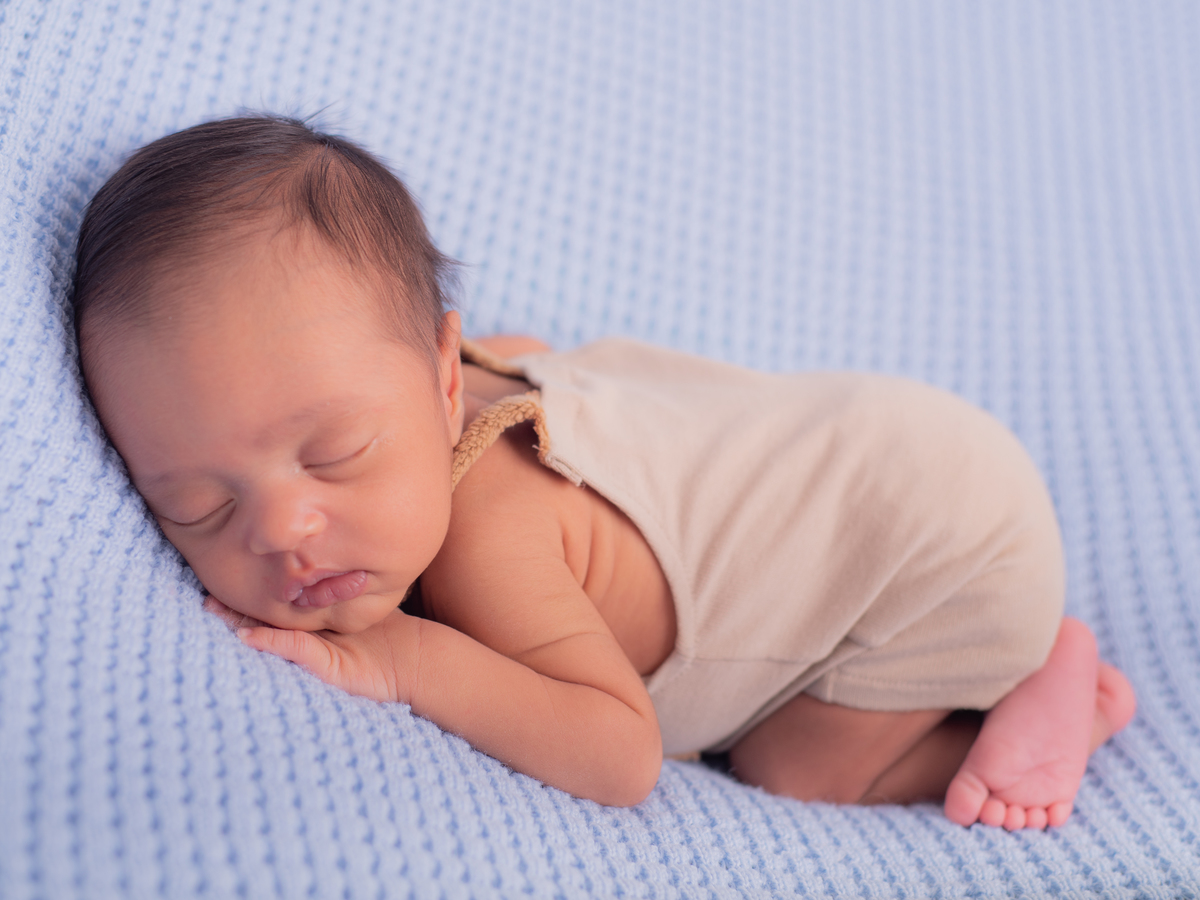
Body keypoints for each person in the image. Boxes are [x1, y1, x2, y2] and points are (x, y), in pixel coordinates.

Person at [71, 114, 1135, 829]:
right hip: (874, 448)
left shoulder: (491, 527)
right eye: (199, 506)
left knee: (790, 768)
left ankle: (1049, 699)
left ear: (445, 380)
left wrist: (405, 660)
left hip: (936, 548)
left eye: (334, 455)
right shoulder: (453, 378)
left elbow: (622, 757)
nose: (286, 528)